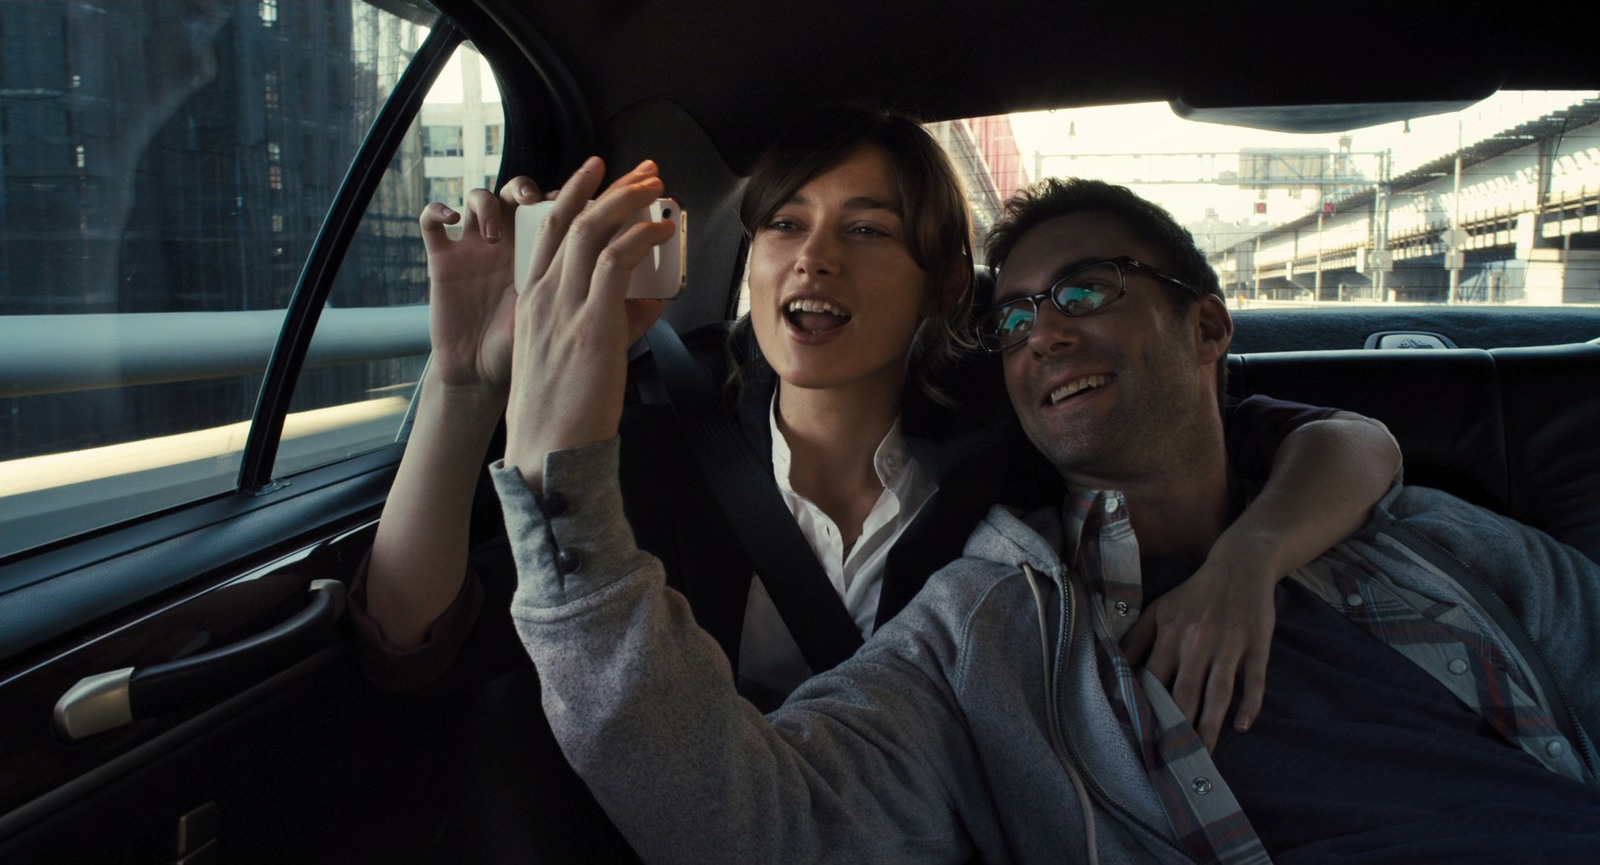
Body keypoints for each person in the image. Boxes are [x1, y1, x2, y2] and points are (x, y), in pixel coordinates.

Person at [493, 173, 1600, 864]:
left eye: (1084, 291)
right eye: (1013, 313)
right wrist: (563, 479)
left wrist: (1255, 554)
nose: (1040, 333)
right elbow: (750, 821)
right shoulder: (984, 628)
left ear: (1207, 326)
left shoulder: (1425, 544)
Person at [354, 106, 1395, 741]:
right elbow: (410, 640)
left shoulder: (1022, 431)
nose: (816, 261)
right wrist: (460, 383)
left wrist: (1249, 556)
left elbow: (1345, 443)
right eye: (786, 226)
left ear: (946, 287)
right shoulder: (651, 450)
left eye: (867, 230)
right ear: (749, 261)